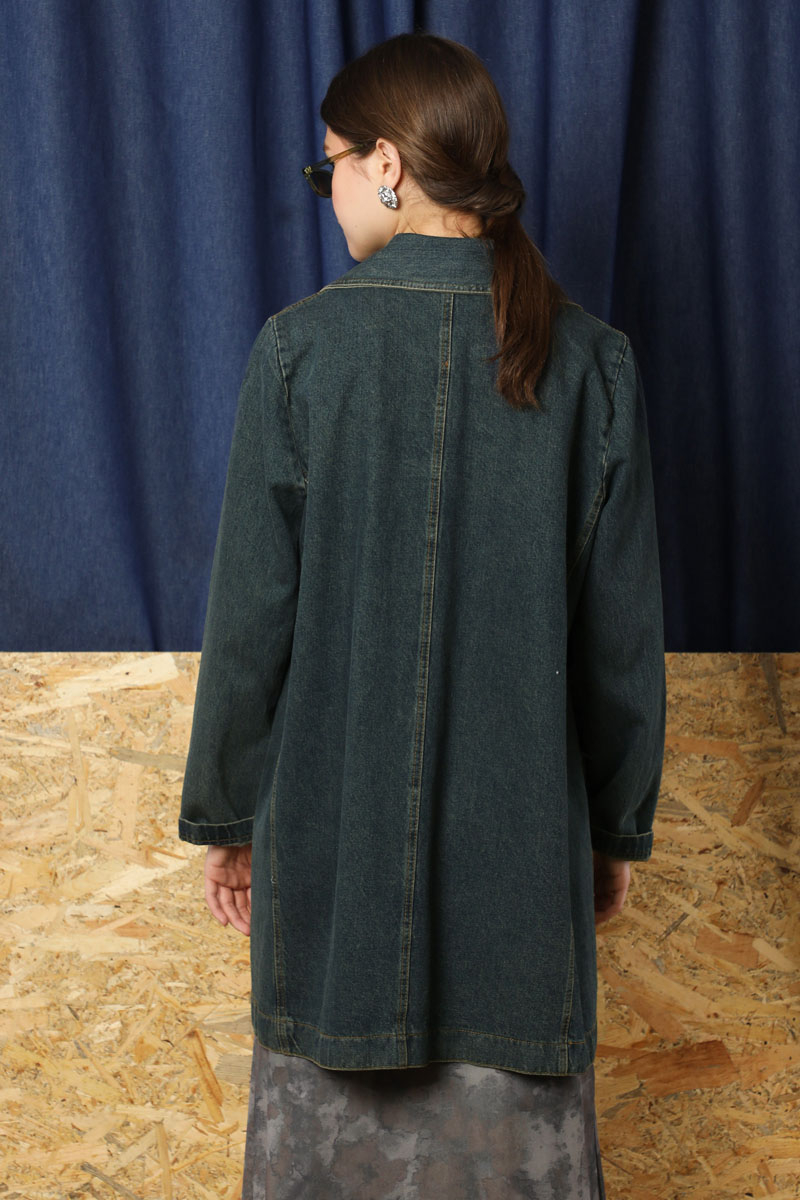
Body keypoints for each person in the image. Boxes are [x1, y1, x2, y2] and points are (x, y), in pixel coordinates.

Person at [179, 30, 666, 1199]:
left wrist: (230, 817)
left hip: (331, 888)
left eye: (330, 166)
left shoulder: (299, 353)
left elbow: (249, 623)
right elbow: (618, 648)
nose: (329, 191)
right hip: (521, 897)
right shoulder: (590, 365)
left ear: (386, 164)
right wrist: (608, 834)